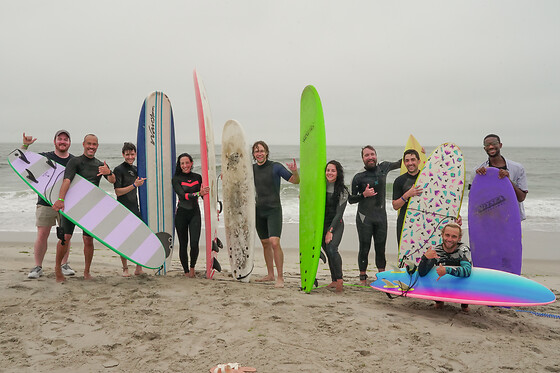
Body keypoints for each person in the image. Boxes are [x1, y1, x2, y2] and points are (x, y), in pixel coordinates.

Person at [52, 134, 116, 282]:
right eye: (89, 144)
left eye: (94, 144)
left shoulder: (100, 164)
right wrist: (61, 199)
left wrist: (109, 173)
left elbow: (113, 181)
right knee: (65, 238)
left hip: (90, 208)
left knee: (88, 240)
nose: (91, 147)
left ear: (97, 146)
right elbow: (67, 180)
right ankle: (57, 268)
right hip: (72, 206)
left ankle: (87, 271)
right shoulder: (75, 162)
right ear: (83, 144)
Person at [22, 130, 76, 279]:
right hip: (45, 201)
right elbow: (22, 161)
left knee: (65, 236)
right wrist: (25, 145)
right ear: (55, 141)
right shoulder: (45, 157)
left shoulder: (74, 161)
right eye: (60, 139)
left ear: (69, 143)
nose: (63, 141)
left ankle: (64, 265)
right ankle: (37, 267)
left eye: (66, 139)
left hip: (66, 203)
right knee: (42, 234)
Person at [349, 145, 401, 284]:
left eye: (372, 154)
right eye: (367, 155)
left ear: (376, 155)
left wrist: (418, 152)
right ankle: (363, 278)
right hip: (364, 217)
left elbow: (402, 162)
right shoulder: (358, 177)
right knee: (364, 247)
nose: (370, 157)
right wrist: (363, 195)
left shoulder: (384, 167)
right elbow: (350, 200)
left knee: (380, 247)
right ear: (363, 159)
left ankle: (382, 277)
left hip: (381, 217)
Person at [252, 141, 299, 288]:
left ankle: (280, 277)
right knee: (265, 243)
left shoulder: (275, 167)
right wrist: (225, 174)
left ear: (266, 152)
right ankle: (270, 274)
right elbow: (238, 177)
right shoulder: (251, 169)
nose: (259, 153)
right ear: (253, 154)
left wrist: (295, 171)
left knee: (274, 242)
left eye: (261, 150)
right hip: (258, 210)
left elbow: (295, 181)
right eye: (256, 151)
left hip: (273, 210)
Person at [418, 222, 472, 312]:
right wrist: (425, 258)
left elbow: (467, 271)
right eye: (447, 235)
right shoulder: (437, 251)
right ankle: (439, 301)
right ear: (442, 235)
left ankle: (464, 304)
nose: (450, 239)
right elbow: (422, 273)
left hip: (460, 282)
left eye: (454, 236)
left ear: (459, 238)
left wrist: (447, 270)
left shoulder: (463, 250)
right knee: (431, 274)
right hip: (443, 281)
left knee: (465, 307)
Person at [172, 153, 209, 277]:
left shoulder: (198, 177)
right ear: (180, 165)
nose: (185, 165)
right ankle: (186, 271)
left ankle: (192, 268)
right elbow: (183, 196)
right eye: (182, 163)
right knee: (183, 244)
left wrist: (213, 207)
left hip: (195, 213)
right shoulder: (176, 179)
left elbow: (205, 196)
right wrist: (199, 193)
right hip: (181, 214)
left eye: (187, 163)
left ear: (191, 163)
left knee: (194, 243)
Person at [475, 134, 528, 220]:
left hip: (511, 219)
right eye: (487, 145)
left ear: (500, 145)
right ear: (485, 148)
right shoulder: (478, 171)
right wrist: (480, 180)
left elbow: (521, 197)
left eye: (494, 143)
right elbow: (475, 199)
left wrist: (508, 180)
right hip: (489, 219)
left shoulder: (517, 168)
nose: (491, 146)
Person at [113, 142, 146, 277]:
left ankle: (138, 267)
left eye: (132, 154)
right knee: (123, 239)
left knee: (139, 237)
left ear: (135, 154)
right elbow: (118, 192)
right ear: (123, 155)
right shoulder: (118, 170)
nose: (130, 157)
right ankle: (125, 268)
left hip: (135, 207)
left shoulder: (137, 169)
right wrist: (134, 185)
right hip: (122, 208)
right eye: (127, 154)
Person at [322, 160, 348, 293]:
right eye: (328, 170)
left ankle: (339, 280)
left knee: (332, 248)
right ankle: (333, 279)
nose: (330, 173)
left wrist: (330, 231)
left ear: (338, 173)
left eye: (333, 170)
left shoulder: (342, 190)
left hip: (336, 224)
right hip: (322, 224)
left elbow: (339, 213)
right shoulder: (320, 186)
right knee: (327, 250)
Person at [392, 149, 424, 246]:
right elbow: (395, 206)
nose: (410, 163)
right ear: (404, 163)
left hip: (423, 221)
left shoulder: (426, 178)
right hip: (404, 221)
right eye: (407, 160)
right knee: (404, 253)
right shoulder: (399, 181)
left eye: (413, 160)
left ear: (419, 161)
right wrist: (407, 195)